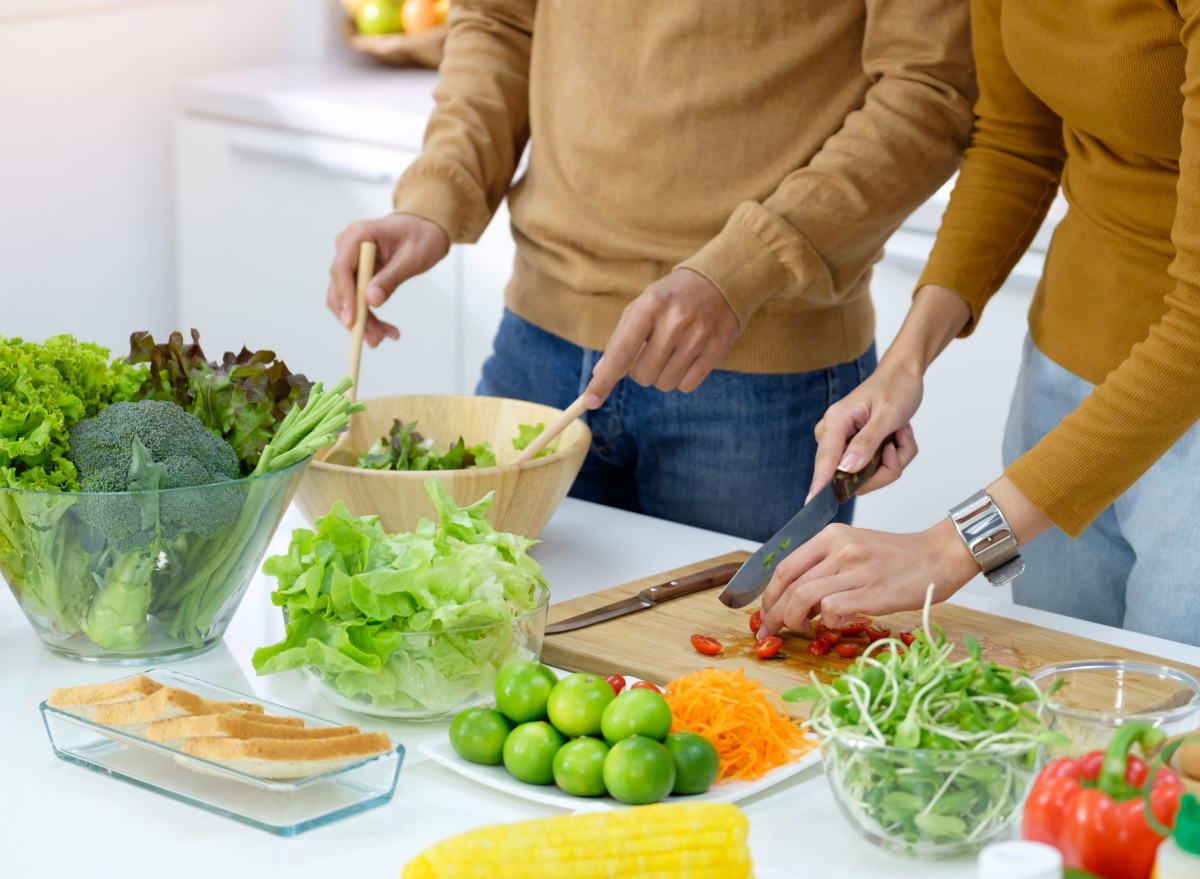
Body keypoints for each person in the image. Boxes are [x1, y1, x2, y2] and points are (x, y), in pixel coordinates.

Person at [327, 1, 975, 541]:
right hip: (537, 349)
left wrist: (742, 268)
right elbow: (499, 19)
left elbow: (930, 91)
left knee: (734, 687)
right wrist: (439, 197)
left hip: (763, 385)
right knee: (487, 670)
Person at [759, 0, 1200, 646]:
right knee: (1059, 712)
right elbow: (1015, 147)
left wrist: (949, 547)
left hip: (1185, 409)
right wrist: (903, 364)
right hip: (1061, 388)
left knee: (1175, 737)